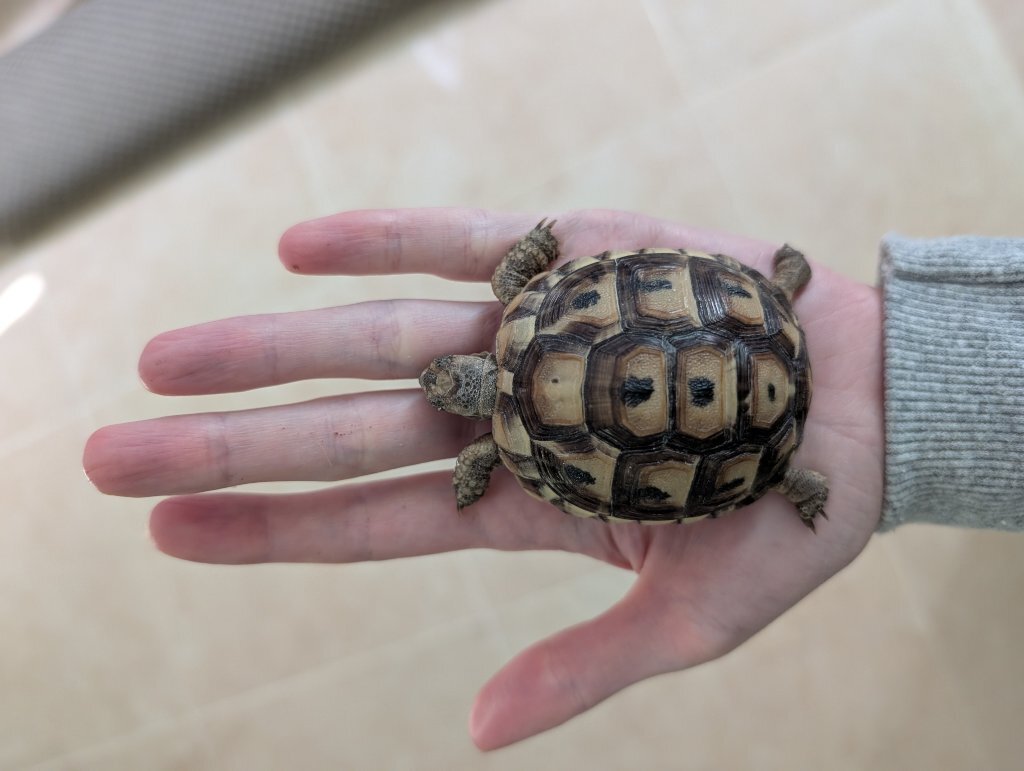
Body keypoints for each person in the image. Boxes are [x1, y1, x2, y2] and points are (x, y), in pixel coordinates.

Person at [82, 208, 1023, 750]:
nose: (441, 381)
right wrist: (533, 253)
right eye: (446, 381)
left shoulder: (508, 453)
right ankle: (780, 320)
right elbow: (546, 269)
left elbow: (493, 464)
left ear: (468, 386)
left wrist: (471, 477)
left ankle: (788, 478)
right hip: (753, 325)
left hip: (752, 436)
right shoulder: (525, 313)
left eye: (445, 382)